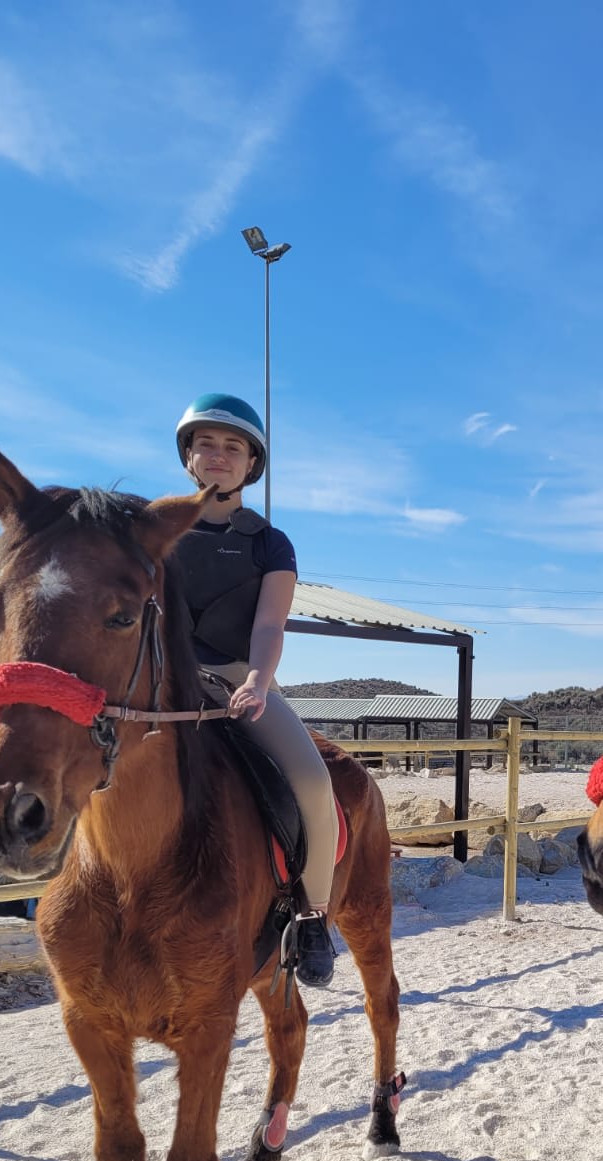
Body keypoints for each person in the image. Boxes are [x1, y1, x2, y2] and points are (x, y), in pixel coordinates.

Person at [172, 392, 339, 987]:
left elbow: (269, 624)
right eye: (206, 443)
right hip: (163, 681)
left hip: (237, 678)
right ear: (188, 455)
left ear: (251, 464)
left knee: (313, 781)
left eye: (233, 447)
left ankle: (313, 914)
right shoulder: (153, 529)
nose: (218, 455)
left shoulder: (270, 543)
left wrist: (257, 682)